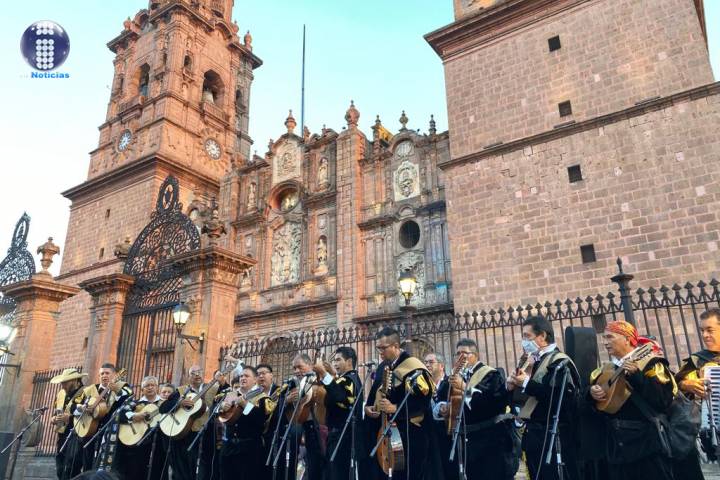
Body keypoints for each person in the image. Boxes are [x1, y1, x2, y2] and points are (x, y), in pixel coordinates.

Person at [588, 320, 674, 480]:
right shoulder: (605, 370)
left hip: (646, 445)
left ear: (627, 339)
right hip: (616, 446)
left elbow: (663, 400)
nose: (605, 342)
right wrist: (591, 393)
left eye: (610, 337)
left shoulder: (650, 364)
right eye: (604, 338)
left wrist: (637, 376)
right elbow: (594, 406)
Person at [507, 316, 580, 480]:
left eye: (527, 336)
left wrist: (527, 382)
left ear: (542, 336)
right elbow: (525, 400)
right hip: (534, 437)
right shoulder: (534, 361)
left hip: (554, 437)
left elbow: (559, 398)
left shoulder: (560, 362)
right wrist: (512, 387)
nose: (524, 341)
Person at [438, 339, 514, 480]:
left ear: (475, 355)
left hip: (489, 439)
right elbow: (443, 395)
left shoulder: (490, 375)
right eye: (458, 354)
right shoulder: (458, 375)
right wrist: (445, 407)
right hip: (466, 439)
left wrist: (464, 387)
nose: (460, 357)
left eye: (464, 353)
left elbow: (493, 404)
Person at [369, 327, 435, 480]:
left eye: (383, 348)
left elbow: (423, 401)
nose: (380, 352)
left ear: (396, 346)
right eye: (378, 348)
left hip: (411, 435)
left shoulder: (413, 366)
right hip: (388, 434)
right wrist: (371, 408)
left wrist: (396, 407)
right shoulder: (384, 367)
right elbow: (377, 394)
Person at [673, 308, 720, 480]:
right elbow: (673, 386)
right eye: (702, 330)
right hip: (716, 428)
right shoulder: (698, 360)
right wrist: (685, 384)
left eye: (710, 330)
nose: (705, 335)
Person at [159, 365, 217, 480]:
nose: (197, 375)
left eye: (199, 371)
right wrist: (179, 403)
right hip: (185, 437)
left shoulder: (213, 388)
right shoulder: (181, 391)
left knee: (203, 470)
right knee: (184, 471)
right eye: (193, 373)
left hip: (206, 435)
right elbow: (163, 408)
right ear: (188, 377)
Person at [314, 346, 363, 480]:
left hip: (342, 437)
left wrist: (324, 374)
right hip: (339, 436)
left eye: (338, 360)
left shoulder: (349, 379)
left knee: (337, 474)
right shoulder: (346, 379)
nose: (335, 363)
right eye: (334, 360)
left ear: (349, 361)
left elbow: (339, 396)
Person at [217, 366, 275, 480]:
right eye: (241, 376)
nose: (243, 378)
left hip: (250, 450)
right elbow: (217, 414)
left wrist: (245, 405)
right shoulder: (230, 395)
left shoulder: (263, 398)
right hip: (229, 448)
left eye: (247, 376)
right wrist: (221, 407)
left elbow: (261, 420)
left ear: (255, 379)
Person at [75, 363, 133, 471]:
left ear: (115, 375)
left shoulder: (123, 387)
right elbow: (75, 406)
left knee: (105, 464)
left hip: (110, 431)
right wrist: (81, 408)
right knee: (87, 463)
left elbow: (129, 397)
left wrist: (116, 390)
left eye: (107, 373)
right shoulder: (91, 389)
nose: (104, 376)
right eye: (102, 374)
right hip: (90, 430)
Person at [115, 376, 165, 480]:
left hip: (159, 443)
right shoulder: (135, 403)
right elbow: (120, 414)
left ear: (157, 388)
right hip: (138, 444)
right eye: (147, 386)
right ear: (142, 389)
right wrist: (134, 416)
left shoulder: (164, 403)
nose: (150, 387)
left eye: (152, 385)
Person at [284, 353, 326, 480]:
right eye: (294, 368)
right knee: (295, 462)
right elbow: (282, 407)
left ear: (310, 365)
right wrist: (287, 400)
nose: (296, 371)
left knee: (315, 465)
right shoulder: (292, 384)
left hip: (315, 427)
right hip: (298, 426)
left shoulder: (318, 380)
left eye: (300, 367)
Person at [50, 368, 88, 480]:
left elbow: (88, 414)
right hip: (62, 436)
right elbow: (56, 411)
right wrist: (54, 418)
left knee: (71, 469)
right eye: (62, 382)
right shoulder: (61, 394)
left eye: (65, 382)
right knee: (60, 469)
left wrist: (70, 418)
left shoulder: (86, 392)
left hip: (77, 436)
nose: (63, 385)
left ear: (75, 380)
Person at [427, 352, 456, 480]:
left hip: (447, 436)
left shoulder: (451, 383)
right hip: (430, 436)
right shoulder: (424, 386)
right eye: (425, 362)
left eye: (431, 362)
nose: (427, 365)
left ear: (441, 366)